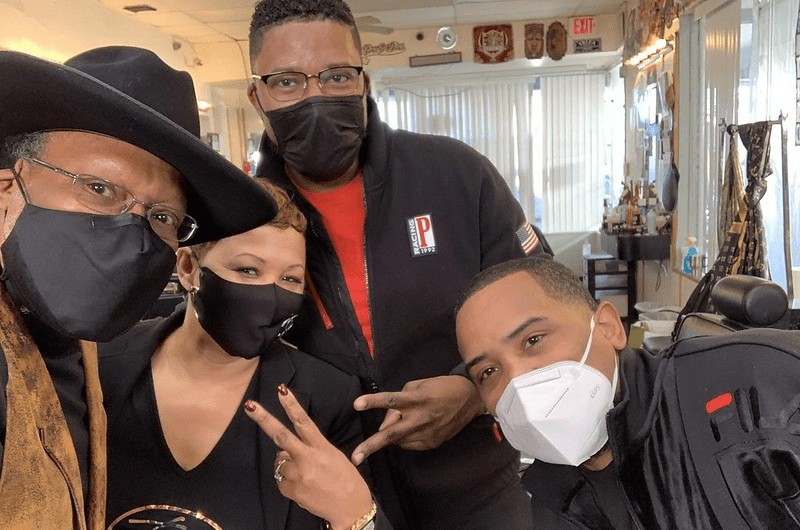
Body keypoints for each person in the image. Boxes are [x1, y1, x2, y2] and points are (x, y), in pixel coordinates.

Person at [246, 1, 550, 528]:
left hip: (479, 491)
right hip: (325, 504)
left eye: (336, 75)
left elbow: (548, 309)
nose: (315, 97)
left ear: (364, 82)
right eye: (287, 81)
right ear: (257, 96)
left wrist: (476, 392)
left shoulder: (457, 175)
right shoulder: (242, 216)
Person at [0, 46, 276, 529]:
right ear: (7, 190)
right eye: (100, 188)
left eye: (161, 216)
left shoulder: (76, 349)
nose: (134, 236)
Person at [100, 181, 386, 530]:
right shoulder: (99, 369)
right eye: (248, 270)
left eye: (290, 279)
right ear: (189, 268)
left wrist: (354, 514)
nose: (271, 295)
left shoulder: (327, 400)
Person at [455, 256, 800, 529]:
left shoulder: (765, 395)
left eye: (533, 340)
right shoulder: (551, 496)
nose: (518, 380)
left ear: (607, 328)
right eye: (489, 372)